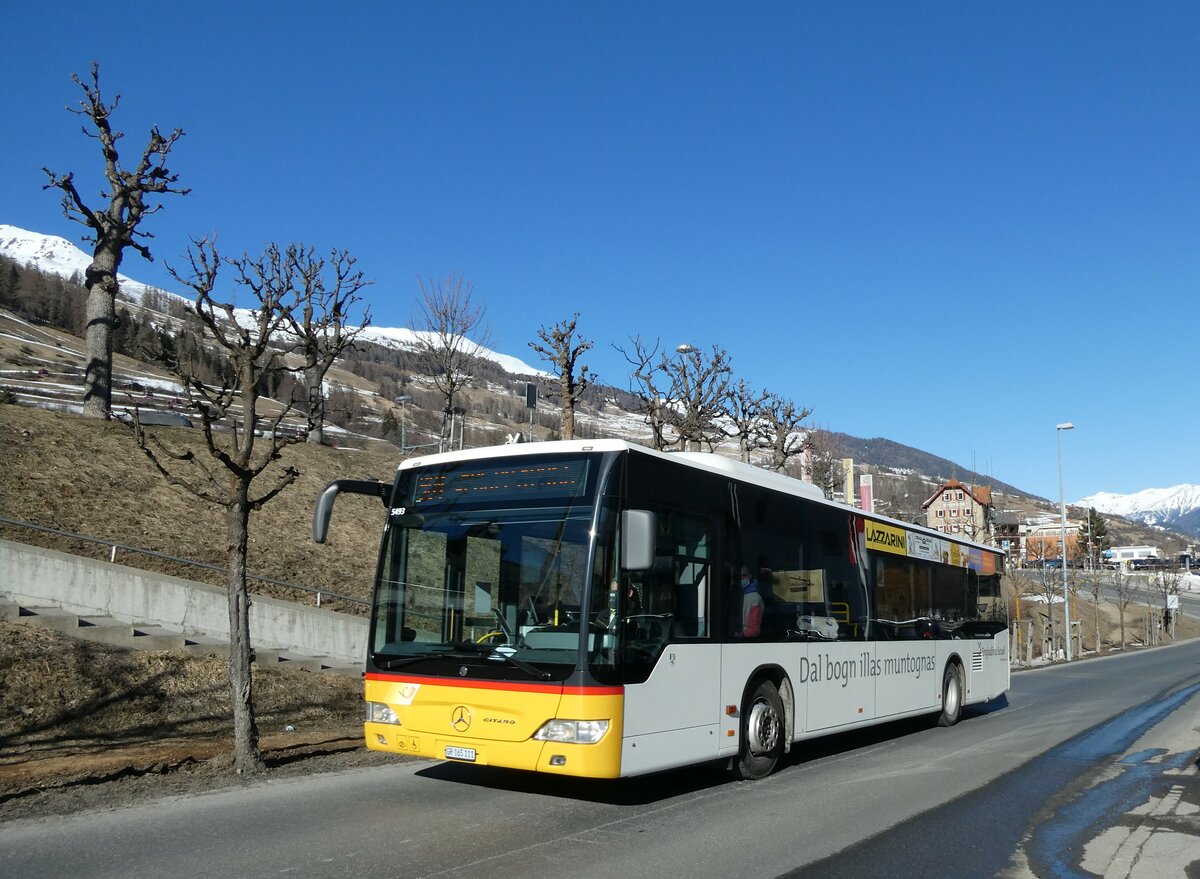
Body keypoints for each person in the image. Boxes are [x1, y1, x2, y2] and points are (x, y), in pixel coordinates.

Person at [737, 566, 763, 637]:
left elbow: (754, 630)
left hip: (745, 639)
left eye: (744, 575)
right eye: (739, 576)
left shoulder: (755, 598)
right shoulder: (737, 595)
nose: (741, 578)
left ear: (750, 576)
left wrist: (739, 635)